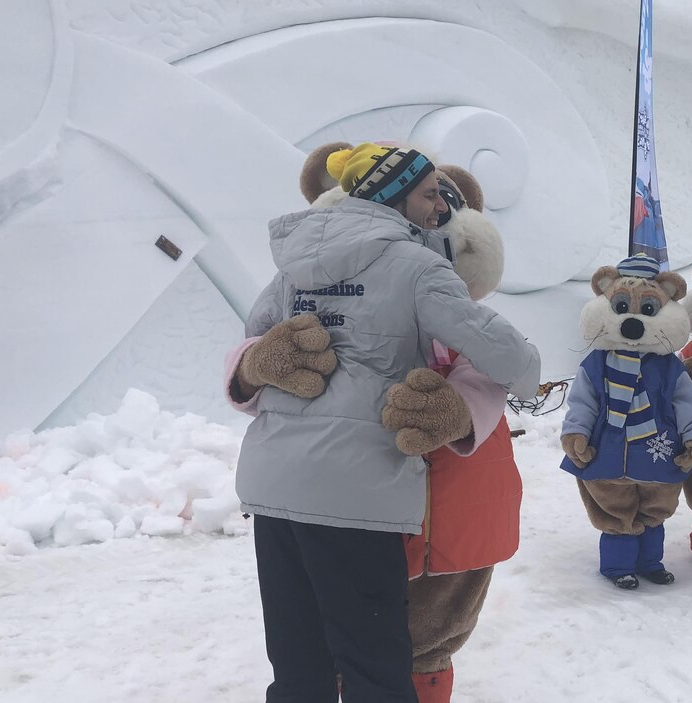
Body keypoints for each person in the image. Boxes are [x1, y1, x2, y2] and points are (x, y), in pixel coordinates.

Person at [226, 142, 540, 702]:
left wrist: (253, 364)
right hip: (359, 491)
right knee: (377, 665)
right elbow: (496, 351)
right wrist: (528, 369)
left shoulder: (292, 267)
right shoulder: (418, 265)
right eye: (428, 194)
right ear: (395, 196)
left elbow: (255, 346)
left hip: (275, 487)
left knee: (299, 661)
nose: (438, 208)